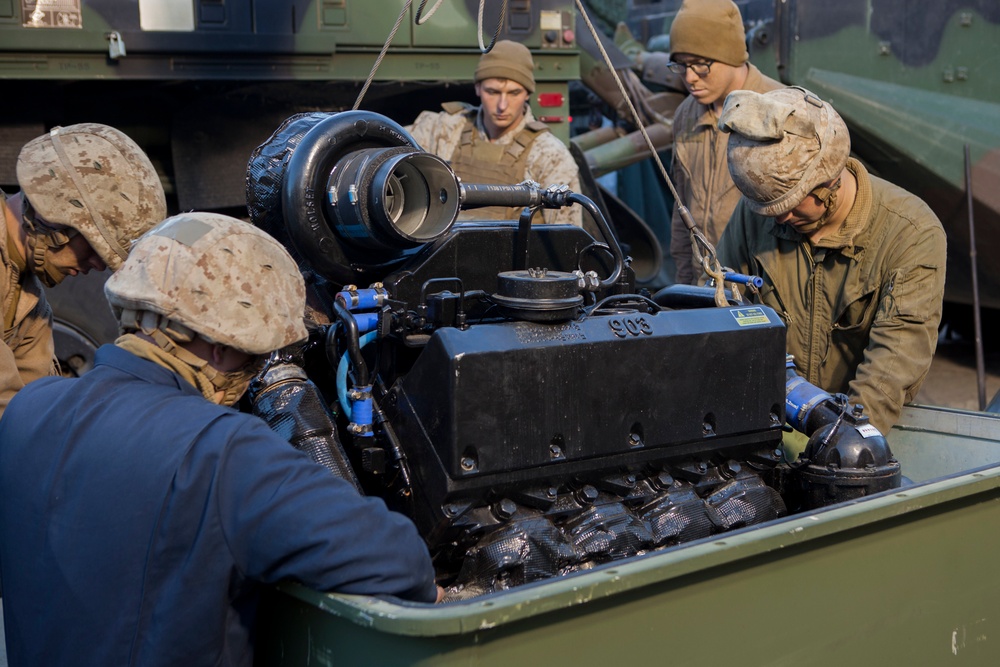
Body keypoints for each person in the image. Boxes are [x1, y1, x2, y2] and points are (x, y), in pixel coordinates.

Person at [0, 212, 440, 666]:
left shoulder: (28, 411)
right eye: (256, 359)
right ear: (222, 347)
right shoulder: (225, 451)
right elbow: (399, 559)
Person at [714, 86, 947, 435]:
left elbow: (893, 364)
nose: (778, 219)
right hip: (772, 420)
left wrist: (843, 438)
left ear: (830, 182)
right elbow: (722, 315)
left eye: (790, 206)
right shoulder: (757, 218)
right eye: (768, 208)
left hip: (867, 428)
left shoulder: (911, 233)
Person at [0, 123, 166, 415]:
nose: (98, 264)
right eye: (93, 246)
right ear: (52, 216)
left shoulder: (28, 302)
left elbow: (32, 411)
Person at [667, 0, 782, 285]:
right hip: (702, 288)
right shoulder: (686, 115)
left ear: (730, 55)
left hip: (759, 291)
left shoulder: (777, 109)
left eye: (701, 65)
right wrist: (684, 288)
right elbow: (682, 209)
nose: (690, 78)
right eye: (681, 66)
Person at [407, 40, 582, 226]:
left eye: (514, 93)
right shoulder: (443, 129)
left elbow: (566, 238)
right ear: (477, 88)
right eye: (493, 92)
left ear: (528, 94)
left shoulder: (550, 155)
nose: (502, 105)